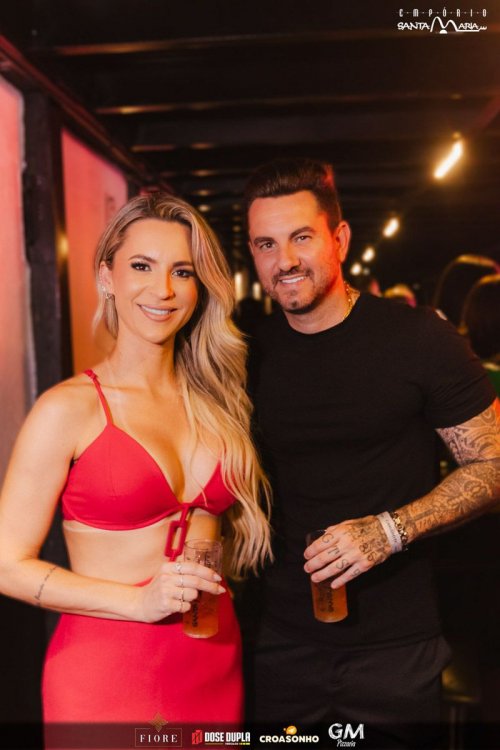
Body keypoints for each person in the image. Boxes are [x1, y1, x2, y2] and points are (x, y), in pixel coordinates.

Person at [243, 158, 500, 748]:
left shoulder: (420, 339)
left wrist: (391, 530)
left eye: (301, 237)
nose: (284, 260)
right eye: (266, 244)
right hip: (280, 641)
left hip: (395, 648)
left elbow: (492, 463)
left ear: (339, 239)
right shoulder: (243, 355)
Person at [0, 193, 271, 740]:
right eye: (142, 266)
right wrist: (138, 602)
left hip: (211, 658)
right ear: (107, 277)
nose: (163, 289)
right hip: (106, 670)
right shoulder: (68, 409)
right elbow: (6, 565)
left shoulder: (220, 403)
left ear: (199, 287)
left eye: (182, 272)